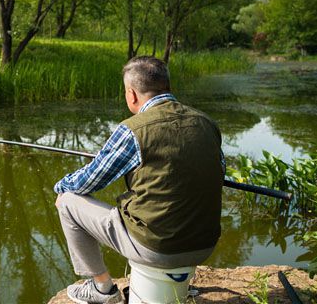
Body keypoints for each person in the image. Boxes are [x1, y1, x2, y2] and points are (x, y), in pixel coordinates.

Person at [54, 56, 225, 304]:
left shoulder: (133, 129)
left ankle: (102, 290)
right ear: (167, 87)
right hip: (205, 245)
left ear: (131, 94)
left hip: (157, 248)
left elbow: (88, 182)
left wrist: (60, 185)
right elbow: (219, 173)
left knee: (67, 201)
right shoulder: (207, 123)